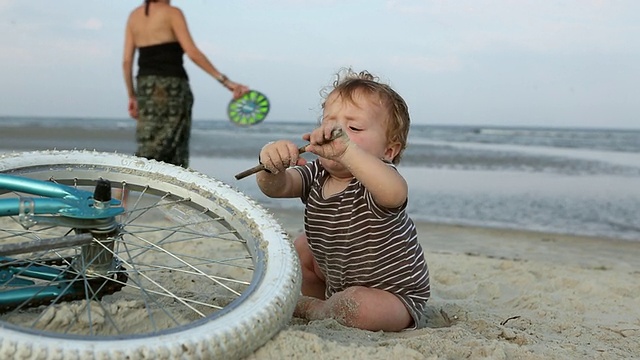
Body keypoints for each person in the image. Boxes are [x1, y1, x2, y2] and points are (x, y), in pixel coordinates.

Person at [256, 69, 430, 331]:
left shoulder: (377, 179)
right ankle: (320, 301)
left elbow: (396, 194)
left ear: (389, 151)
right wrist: (270, 165)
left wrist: (348, 152)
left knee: (359, 306)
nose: (337, 134)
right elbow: (277, 187)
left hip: (392, 296)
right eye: (330, 123)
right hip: (338, 280)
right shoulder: (317, 174)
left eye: (354, 128)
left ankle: (317, 309)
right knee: (301, 246)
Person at [123, 0, 249, 168]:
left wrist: (132, 96)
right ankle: (173, 192)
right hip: (172, 87)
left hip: (145, 86)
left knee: (148, 141)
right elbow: (192, 52)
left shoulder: (134, 16)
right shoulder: (172, 13)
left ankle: (122, 189)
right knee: (174, 147)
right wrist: (225, 81)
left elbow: (126, 61)